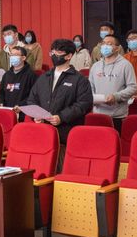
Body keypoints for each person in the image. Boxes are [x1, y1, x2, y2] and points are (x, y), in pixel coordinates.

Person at [27, 38, 94, 170]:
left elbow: (84, 104)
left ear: (69, 56)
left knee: (61, 170)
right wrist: (35, 115)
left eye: (58, 53)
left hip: (65, 135)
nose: (54, 56)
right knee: (42, 169)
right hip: (43, 133)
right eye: (52, 53)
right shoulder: (44, 77)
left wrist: (61, 117)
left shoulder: (79, 80)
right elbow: (32, 99)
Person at [88, 35, 137, 133]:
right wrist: (92, 98)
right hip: (98, 114)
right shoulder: (95, 66)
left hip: (117, 116)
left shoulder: (126, 65)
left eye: (109, 44)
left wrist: (116, 97)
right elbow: (90, 86)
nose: (105, 46)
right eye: (103, 43)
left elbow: (132, 87)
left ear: (117, 48)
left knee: (115, 141)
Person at [0, 46, 38, 120]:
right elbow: (1, 92)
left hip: (23, 113)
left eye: (15, 55)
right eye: (11, 55)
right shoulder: (6, 75)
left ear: (23, 58)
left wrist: (21, 105)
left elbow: (33, 95)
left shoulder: (31, 75)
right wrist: (1, 102)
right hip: (7, 112)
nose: (12, 57)